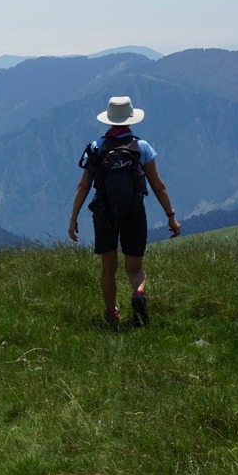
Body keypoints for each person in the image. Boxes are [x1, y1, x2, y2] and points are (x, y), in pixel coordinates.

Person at [68, 96, 181, 327]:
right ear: (131, 119)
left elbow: (83, 186)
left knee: (108, 268)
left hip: (104, 212)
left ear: (109, 119)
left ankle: (112, 315)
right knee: (135, 268)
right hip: (134, 211)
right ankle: (139, 294)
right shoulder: (141, 147)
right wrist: (171, 216)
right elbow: (158, 185)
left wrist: (73, 218)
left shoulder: (96, 147)